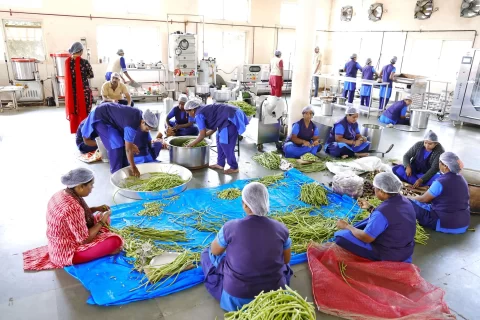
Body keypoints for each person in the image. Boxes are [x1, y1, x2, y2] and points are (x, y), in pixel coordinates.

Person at [200, 182, 293, 311]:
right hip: (275, 294)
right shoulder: (281, 228)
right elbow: (286, 260)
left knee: (206, 254)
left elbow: (215, 252)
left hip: (238, 298)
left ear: (244, 204)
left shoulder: (231, 227)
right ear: (266, 202)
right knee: (284, 265)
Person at [23, 168, 123, 270]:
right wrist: (102, 221)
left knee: (101, 217)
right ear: (80, 187)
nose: (92, 188)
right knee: (115, 241)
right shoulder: (73, 207)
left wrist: (96, 209)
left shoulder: (62, 193)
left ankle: (100, 240)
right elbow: (85, 240)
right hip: (67, 252)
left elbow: (76, 216)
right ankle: (102, 250)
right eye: (90, 185)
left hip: (57, 243)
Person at [335, 172, 416, 262]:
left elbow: (367, 238)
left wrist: (347, 226)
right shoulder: (406, 201)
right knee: (368, 220)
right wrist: (370, 208)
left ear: (382, 191)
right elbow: (391, 217)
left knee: (341, 236)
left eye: (375, 188)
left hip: (390, 254)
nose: (374, 190)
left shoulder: (382, 212)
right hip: (406, 249)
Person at [81, 102, 159, 176]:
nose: (147, 131)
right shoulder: (132, 124)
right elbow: (128, 150)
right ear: (143, 122)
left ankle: (124, 171)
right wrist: (134, 167)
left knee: (121, 144)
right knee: (116, 145)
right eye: (147, 129)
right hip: (100, 117)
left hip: (110, 118)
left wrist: (130, 145)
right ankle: (116, 174)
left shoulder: (141, 116)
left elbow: (126, 138)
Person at [410, 152, 470, 234]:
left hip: (444, 224)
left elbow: (423, 199)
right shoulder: (462, 179)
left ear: (445, 166)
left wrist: (409, 197)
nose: (438, 164)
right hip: (463, 224)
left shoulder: (441, 182)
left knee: (407, 203)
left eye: (440, 162)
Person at [184, 99, 249, 174]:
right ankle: (220, 164)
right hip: (227, 116)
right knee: (218, 138)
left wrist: (191, 144)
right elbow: (215, 125)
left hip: (230, 117)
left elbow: (202, 135)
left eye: (188, 112)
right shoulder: (203, 109)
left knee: (225, 143)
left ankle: (234, 167)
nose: (188, 115)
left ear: (192, 110)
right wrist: (201, 136)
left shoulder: (198, 115)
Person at [64, 42, 94, 134]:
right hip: (83, 91)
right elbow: (91, 75)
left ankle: (76, 129)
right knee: (85, 109)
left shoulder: (67, 62)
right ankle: (85, 129)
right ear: (80, 51)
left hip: (71, 92)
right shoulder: (84, 62)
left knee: (74, 109)